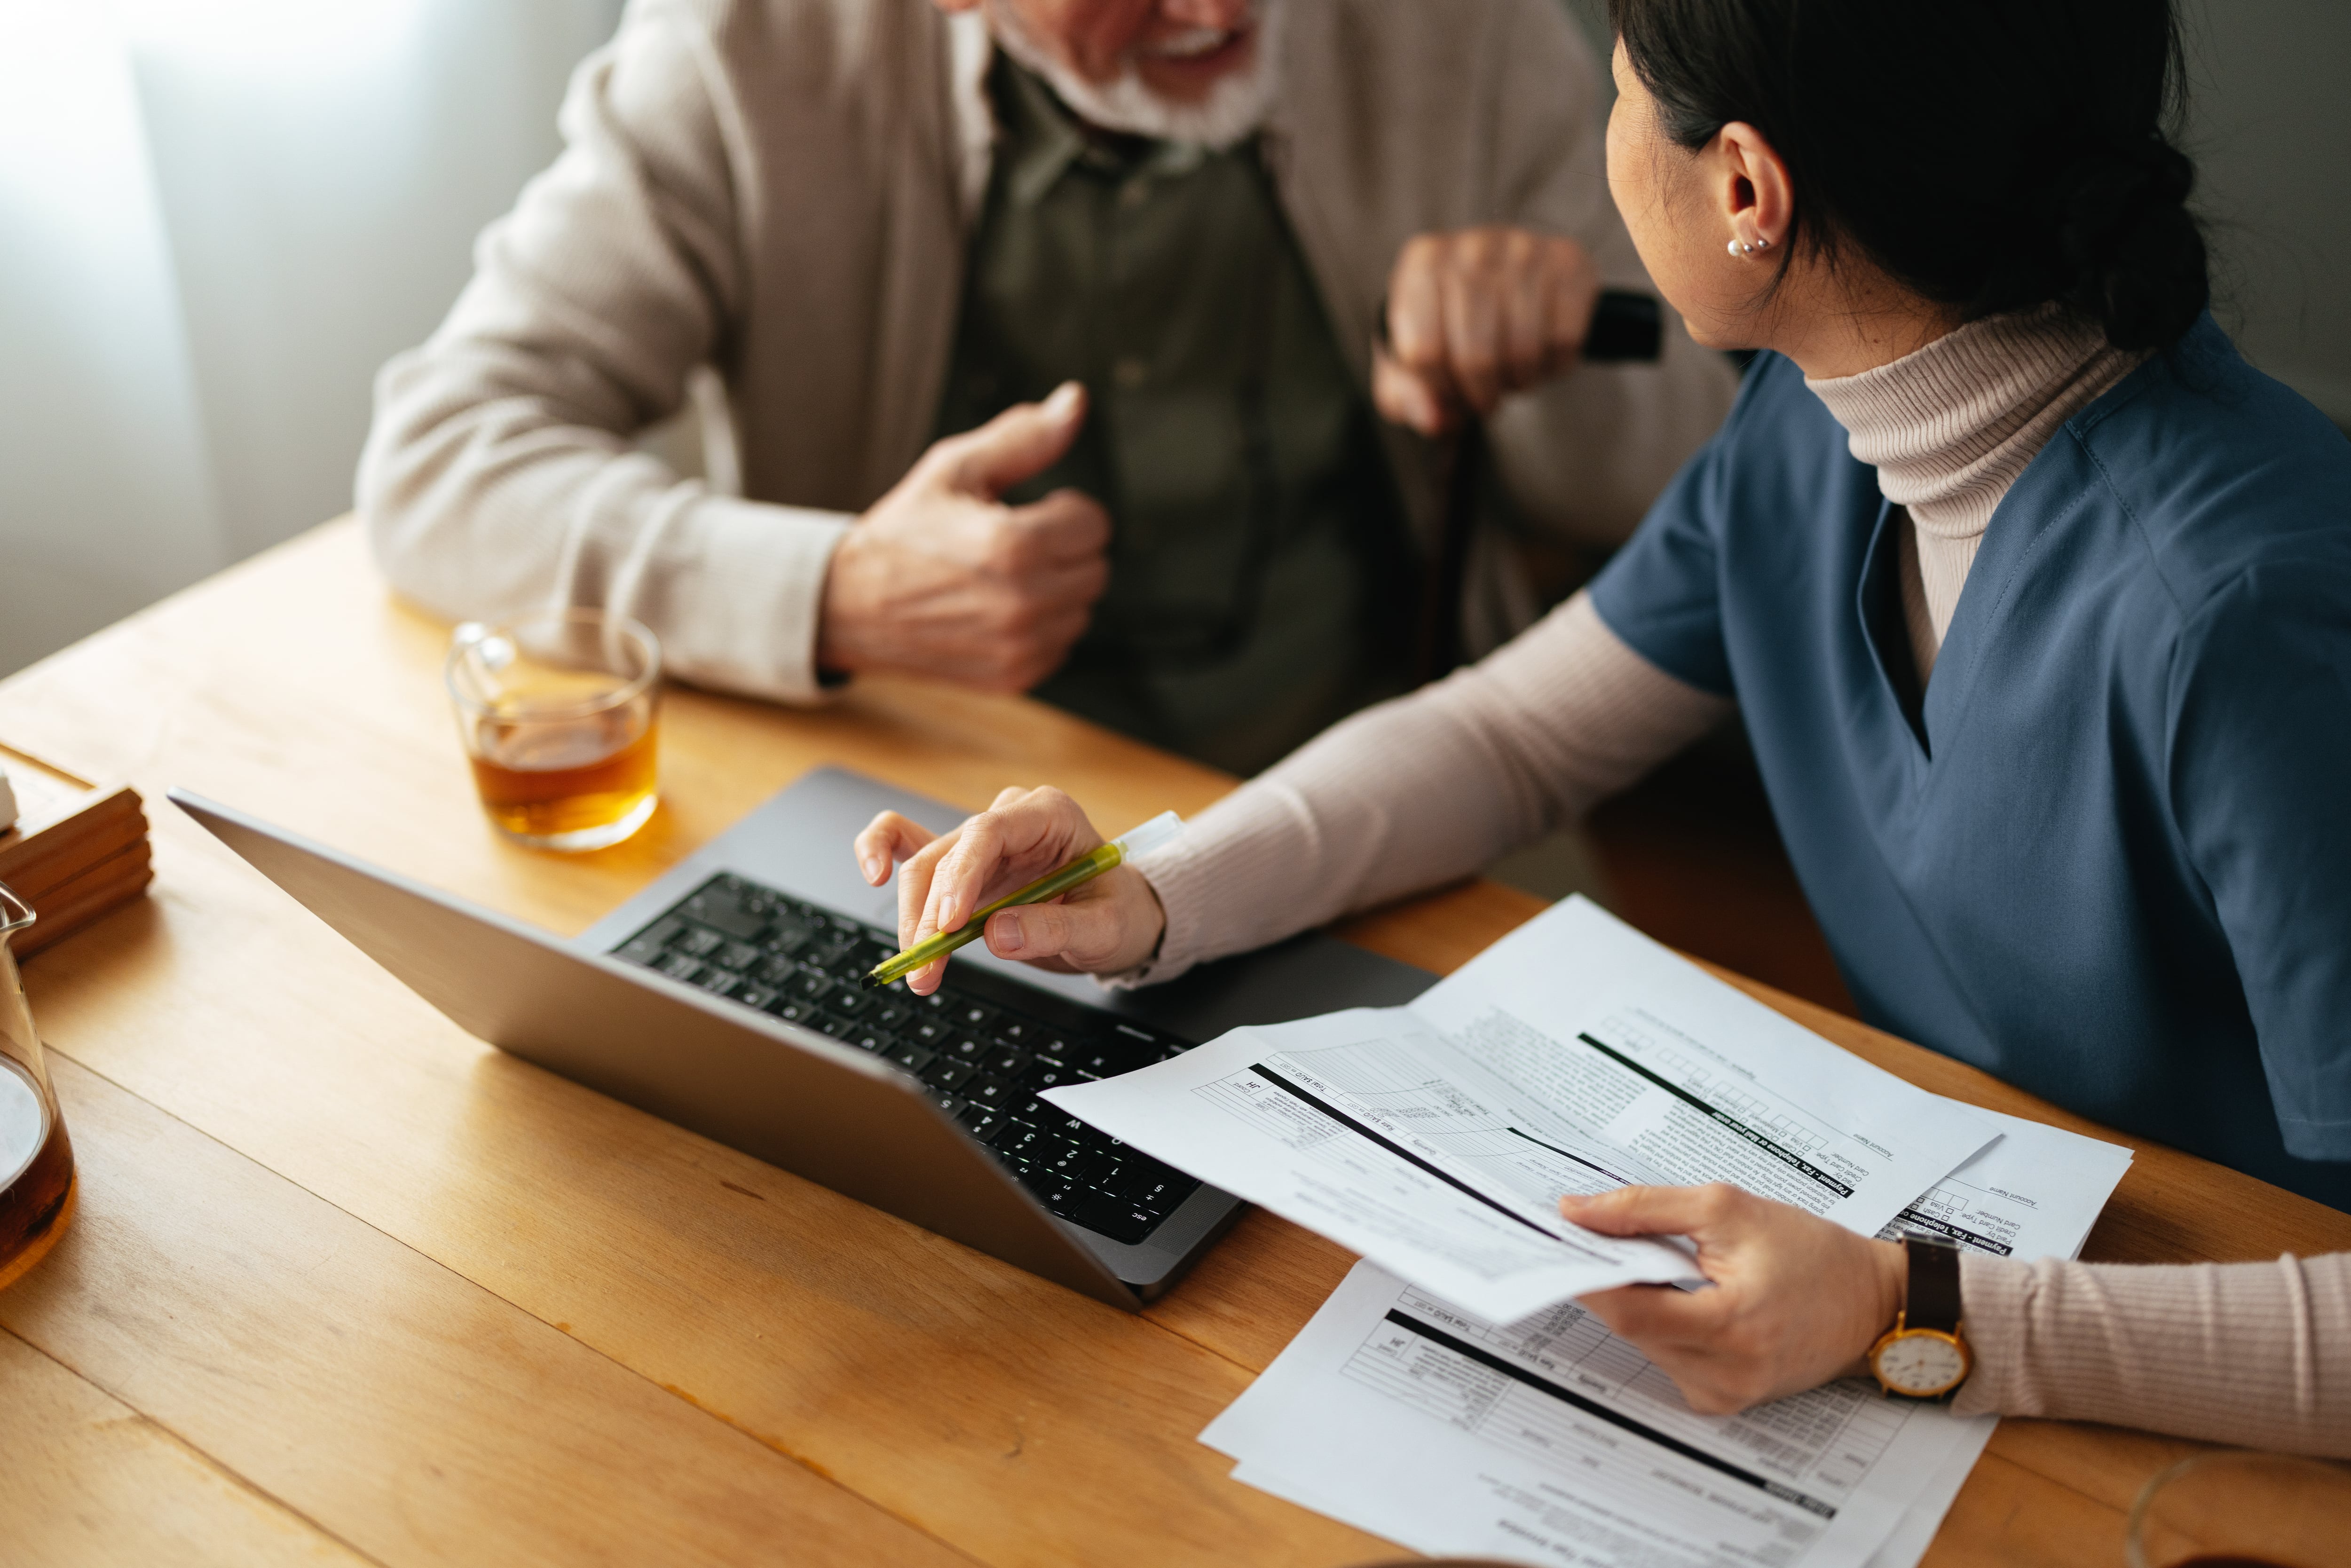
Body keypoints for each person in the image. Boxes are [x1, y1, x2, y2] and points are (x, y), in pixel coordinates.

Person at [856, 0, 2351, 1442]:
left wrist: (1920, 1313)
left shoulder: (2251, 615)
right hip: (1941, 1291)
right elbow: (1514, 736)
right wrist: (1155, 890)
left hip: (2188, 1389)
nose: (1607, 126)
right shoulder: (1815, 423)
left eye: (1623, 91)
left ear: (1747, 188)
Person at [357, 0, 1737, 775]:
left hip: (1398, 811)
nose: (1216, 10)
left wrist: (1551, 350)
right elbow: (440, 458)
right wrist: (837, 588)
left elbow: (1719, 469)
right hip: (916, 835)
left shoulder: (1462, 34)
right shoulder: (745, 55)